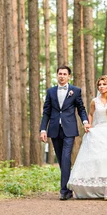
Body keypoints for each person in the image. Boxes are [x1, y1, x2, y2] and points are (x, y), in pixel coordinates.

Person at [40, 65, 90, 200]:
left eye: (64, 74)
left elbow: (81, 108)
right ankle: (69, 187)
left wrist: (85, 122)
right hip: (54, 129)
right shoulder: (50, 92)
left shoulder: (76, 91)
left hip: (69, 129)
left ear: (69, 76)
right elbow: (46, 112)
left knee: (66, 158)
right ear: (57, 75)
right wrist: (43, 129)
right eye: (60, 74)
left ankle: (63, 191)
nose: (62, 76)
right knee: (62, 160)